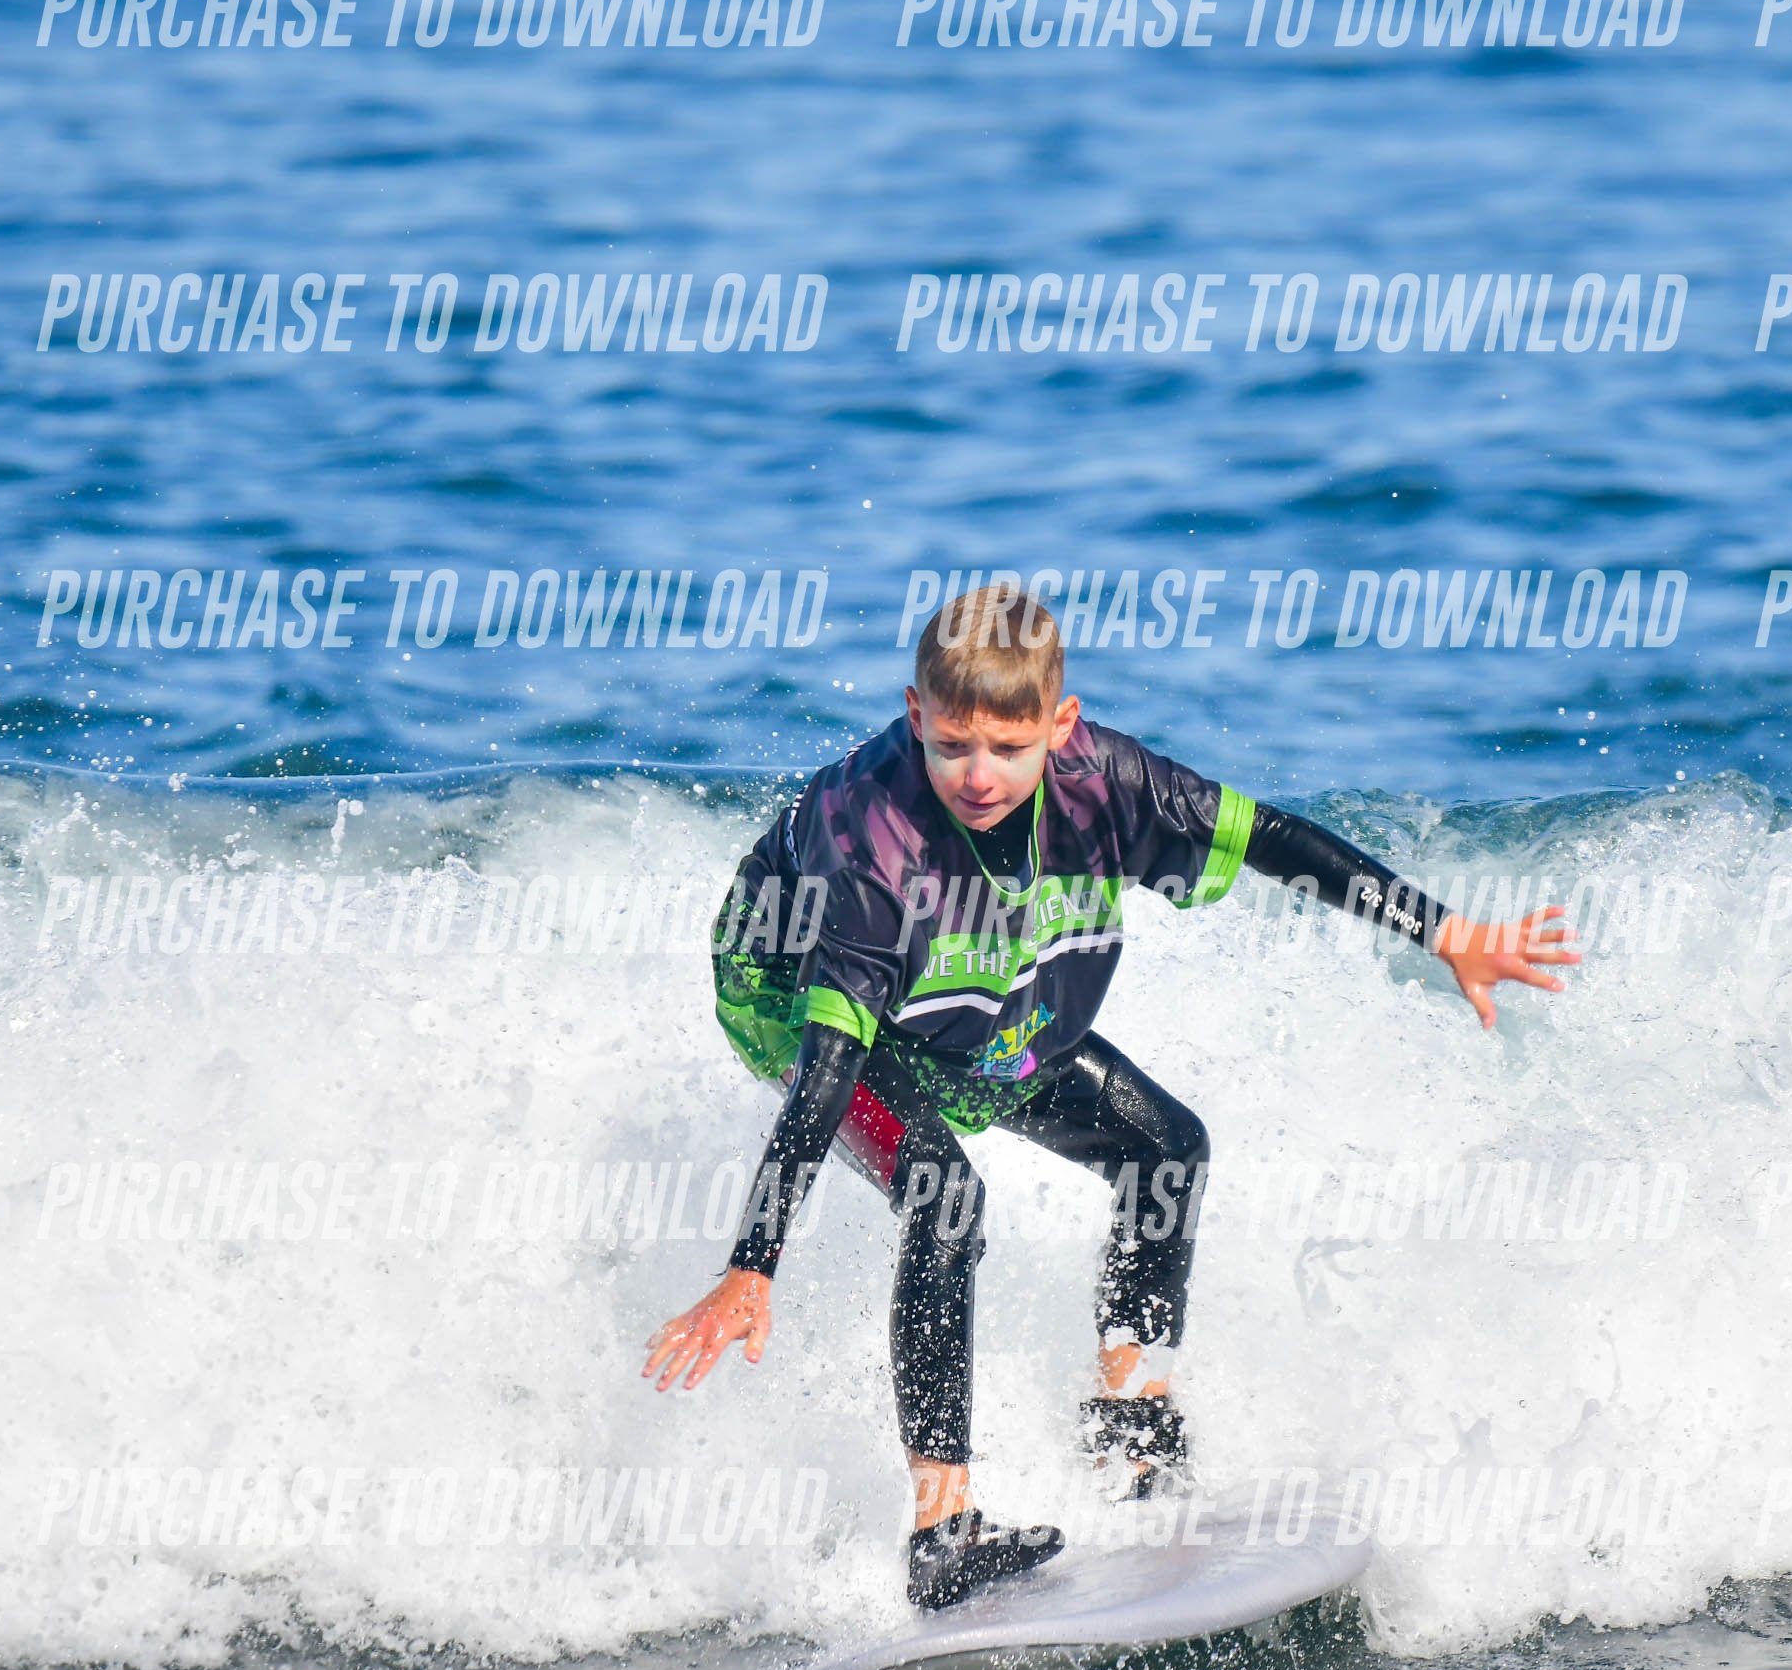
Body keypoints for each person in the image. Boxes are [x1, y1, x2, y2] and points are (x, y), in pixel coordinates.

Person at [643, 580, 1578, 1609]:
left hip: (965, 985)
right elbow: (827, 1065)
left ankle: (1131, 1421)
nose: (979, 775)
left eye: (1008, 748)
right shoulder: (873, 839)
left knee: (1165, 1149)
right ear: (914, 717)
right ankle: (942, 1532)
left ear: (1061, 724)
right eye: (951, 746)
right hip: (796, 996)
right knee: (947, 1202)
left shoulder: (1113, 783)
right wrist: (753, 1263)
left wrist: (1444, 931)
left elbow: (1273, 840)